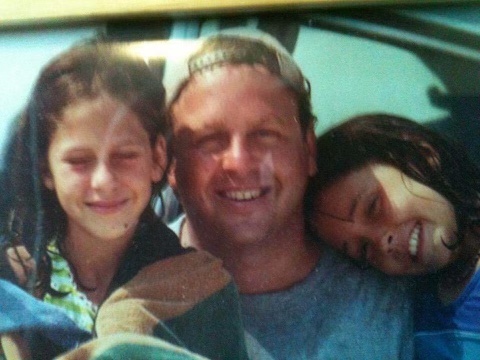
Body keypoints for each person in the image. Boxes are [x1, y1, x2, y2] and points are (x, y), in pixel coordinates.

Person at [164, 28, 414, 359]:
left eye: (266, 134)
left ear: (308, 149)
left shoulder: (385, 303)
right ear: (170, 164)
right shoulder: (114, 292)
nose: (239, 163)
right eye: (209, 140)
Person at [0, 41, 247, 360]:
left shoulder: (203, 290)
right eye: (79, 160)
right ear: (46, 169)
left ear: (157, 157)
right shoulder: (12, 278)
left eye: (125, 155)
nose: (104, 181)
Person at [307, 113, 480, 359]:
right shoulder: (418, 305)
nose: (382, 242)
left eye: (373, 207)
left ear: (421, 157)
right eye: (364, 250)